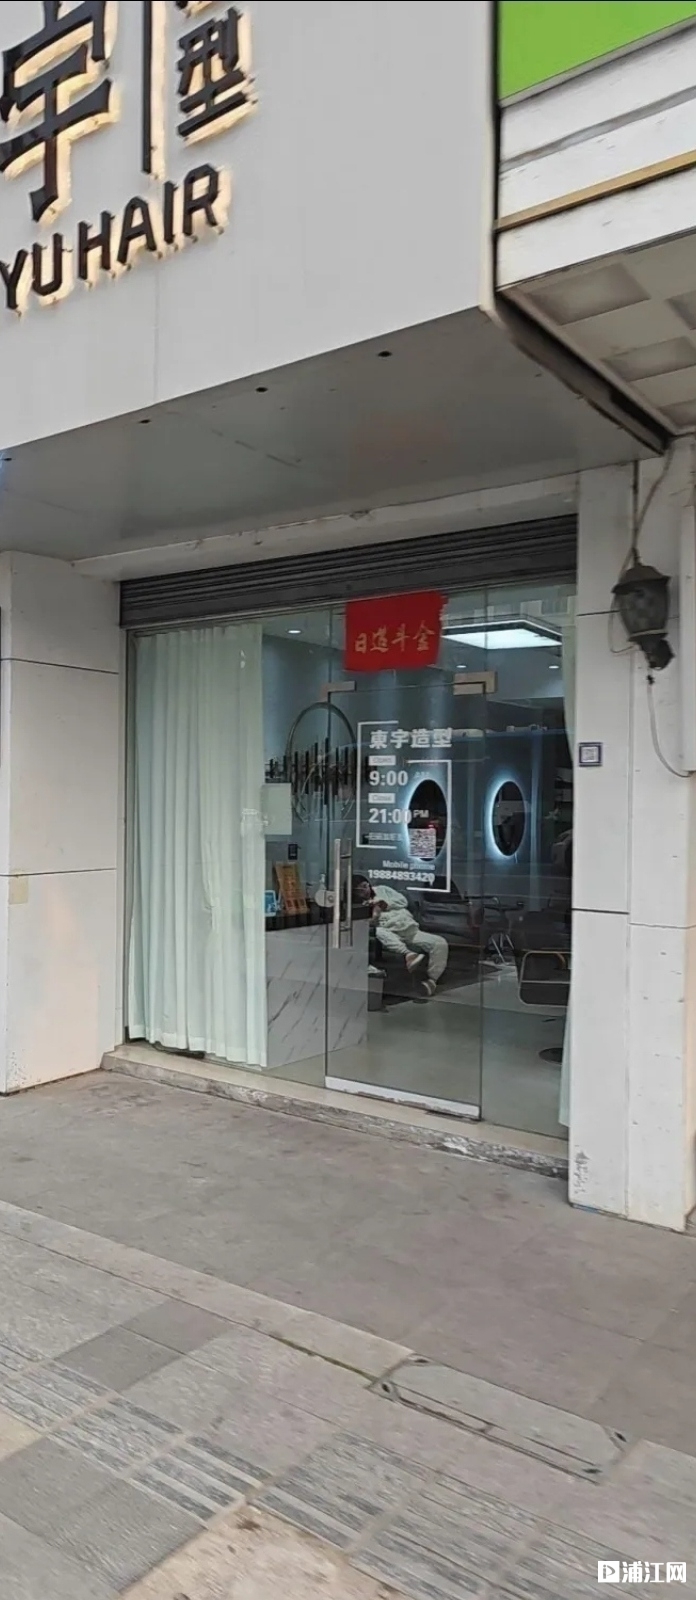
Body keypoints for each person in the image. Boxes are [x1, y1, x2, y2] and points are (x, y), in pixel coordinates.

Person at [354, 877, 448, 997]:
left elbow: (403, 901)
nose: (365, 891)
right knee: (379, 932)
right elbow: (366, 925)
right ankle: (408, 954)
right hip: (389, 931)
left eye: (365, 886)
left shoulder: (382, 890)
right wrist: (375, 914)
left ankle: (432, 980)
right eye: (360, 890)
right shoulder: (358, 905)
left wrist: (385, 904)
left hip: (410, 929)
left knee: (439, 943)